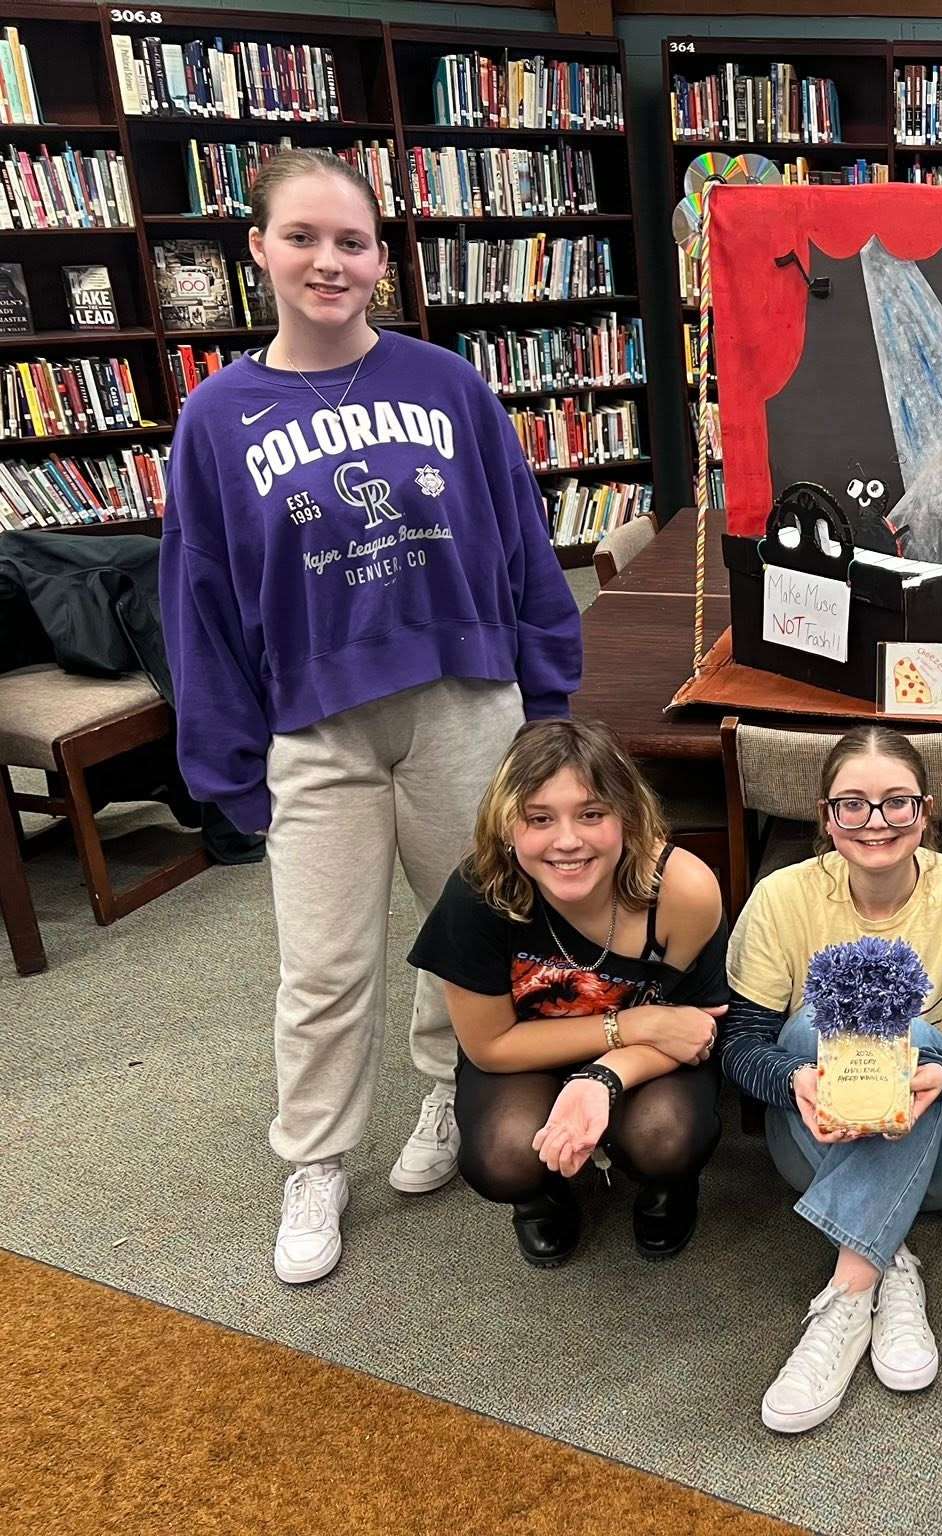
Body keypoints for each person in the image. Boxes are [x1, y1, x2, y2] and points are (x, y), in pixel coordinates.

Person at [159, 148, 582, 1284]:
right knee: (322, 965)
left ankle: (449, 1090)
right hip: (318, 729)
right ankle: (315, 1161)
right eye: (301, 237)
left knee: (477, 933)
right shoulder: (216, 415)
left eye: (350, 241)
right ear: (258, 250)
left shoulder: (448, 385)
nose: (327, 262)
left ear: (379, 257)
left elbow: (521, 545)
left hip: (464, 707)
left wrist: (545, 700)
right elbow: (198, 596)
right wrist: (229, 762)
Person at [723, 726, 942, 1435]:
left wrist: (935, 1072)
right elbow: (739, 1045)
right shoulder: (782, 897)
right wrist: (795, 1079)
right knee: (810, 1033)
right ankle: (888, 1266)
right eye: (852, 805)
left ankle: (845, 1292)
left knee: (905, 1033)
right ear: (825, 818)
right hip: (813, 1138)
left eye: (897, 803)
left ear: (927, 811)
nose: (876, 822)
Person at [408, 720, 726, 1267]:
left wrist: (605, 1074)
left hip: (647, 1061)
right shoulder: (476, 895)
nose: (567, 841)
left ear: (627, 816)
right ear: (507, 825)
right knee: (503, 1154)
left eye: (591, 813)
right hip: (523, 1053)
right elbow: (489, 1046)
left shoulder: (681, 890)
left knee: (665, 1136)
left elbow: (695, 1031)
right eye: (539, 818)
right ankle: (540, 1196)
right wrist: (628, 1024)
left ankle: (666, 1187)